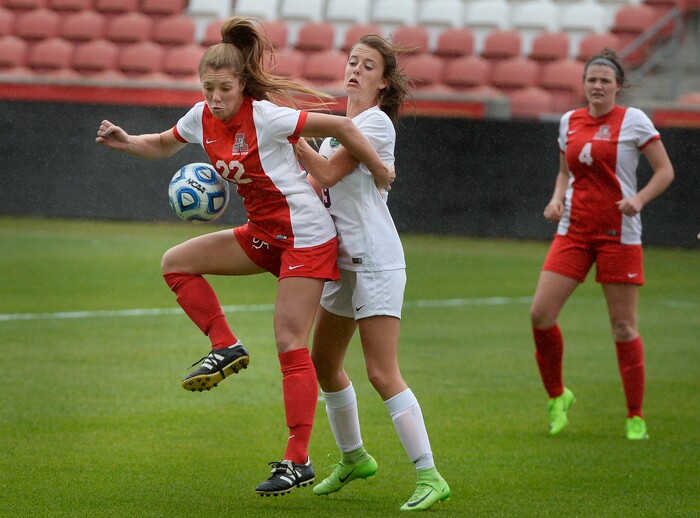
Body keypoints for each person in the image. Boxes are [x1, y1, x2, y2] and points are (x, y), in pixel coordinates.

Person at [95, 17, 395, 496]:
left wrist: (380, 168)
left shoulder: (265, 116)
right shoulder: (201, 117)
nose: (215, 97)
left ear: (241, 85)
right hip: (264, 233)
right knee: (175, 262)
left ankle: (298, 460)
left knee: (289, 339)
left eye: (224, 88)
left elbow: (341, 125)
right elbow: (161, 143)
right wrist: (126, 142)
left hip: (304, 234)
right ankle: (225, 345)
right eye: (208, 87)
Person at [295, 34, 450, 511]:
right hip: (342, 263)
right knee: (324, 361)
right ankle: (354, 457)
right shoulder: (338, 126)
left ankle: (430, 475)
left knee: (382, 372)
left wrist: (286, 133)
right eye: (352, 61)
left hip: (376, 259)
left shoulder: (377, 123)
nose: (355, 69)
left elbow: (324, 173)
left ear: (383, 83)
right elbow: (315, 181)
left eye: (367, 65)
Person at [529, 49, 674, 440]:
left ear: (617, 86)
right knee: (540, 314)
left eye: (604, 80)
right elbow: (564, 173)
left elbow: (665, 171)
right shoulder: (569, 122)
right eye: (591, 79)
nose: (596, 86)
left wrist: (639, 200)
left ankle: (635, 416)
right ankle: (558, 396)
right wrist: (557, 198)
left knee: (624, 327)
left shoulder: (634, 121)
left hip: (619, 234)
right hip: (574, 230)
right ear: (584, 84)